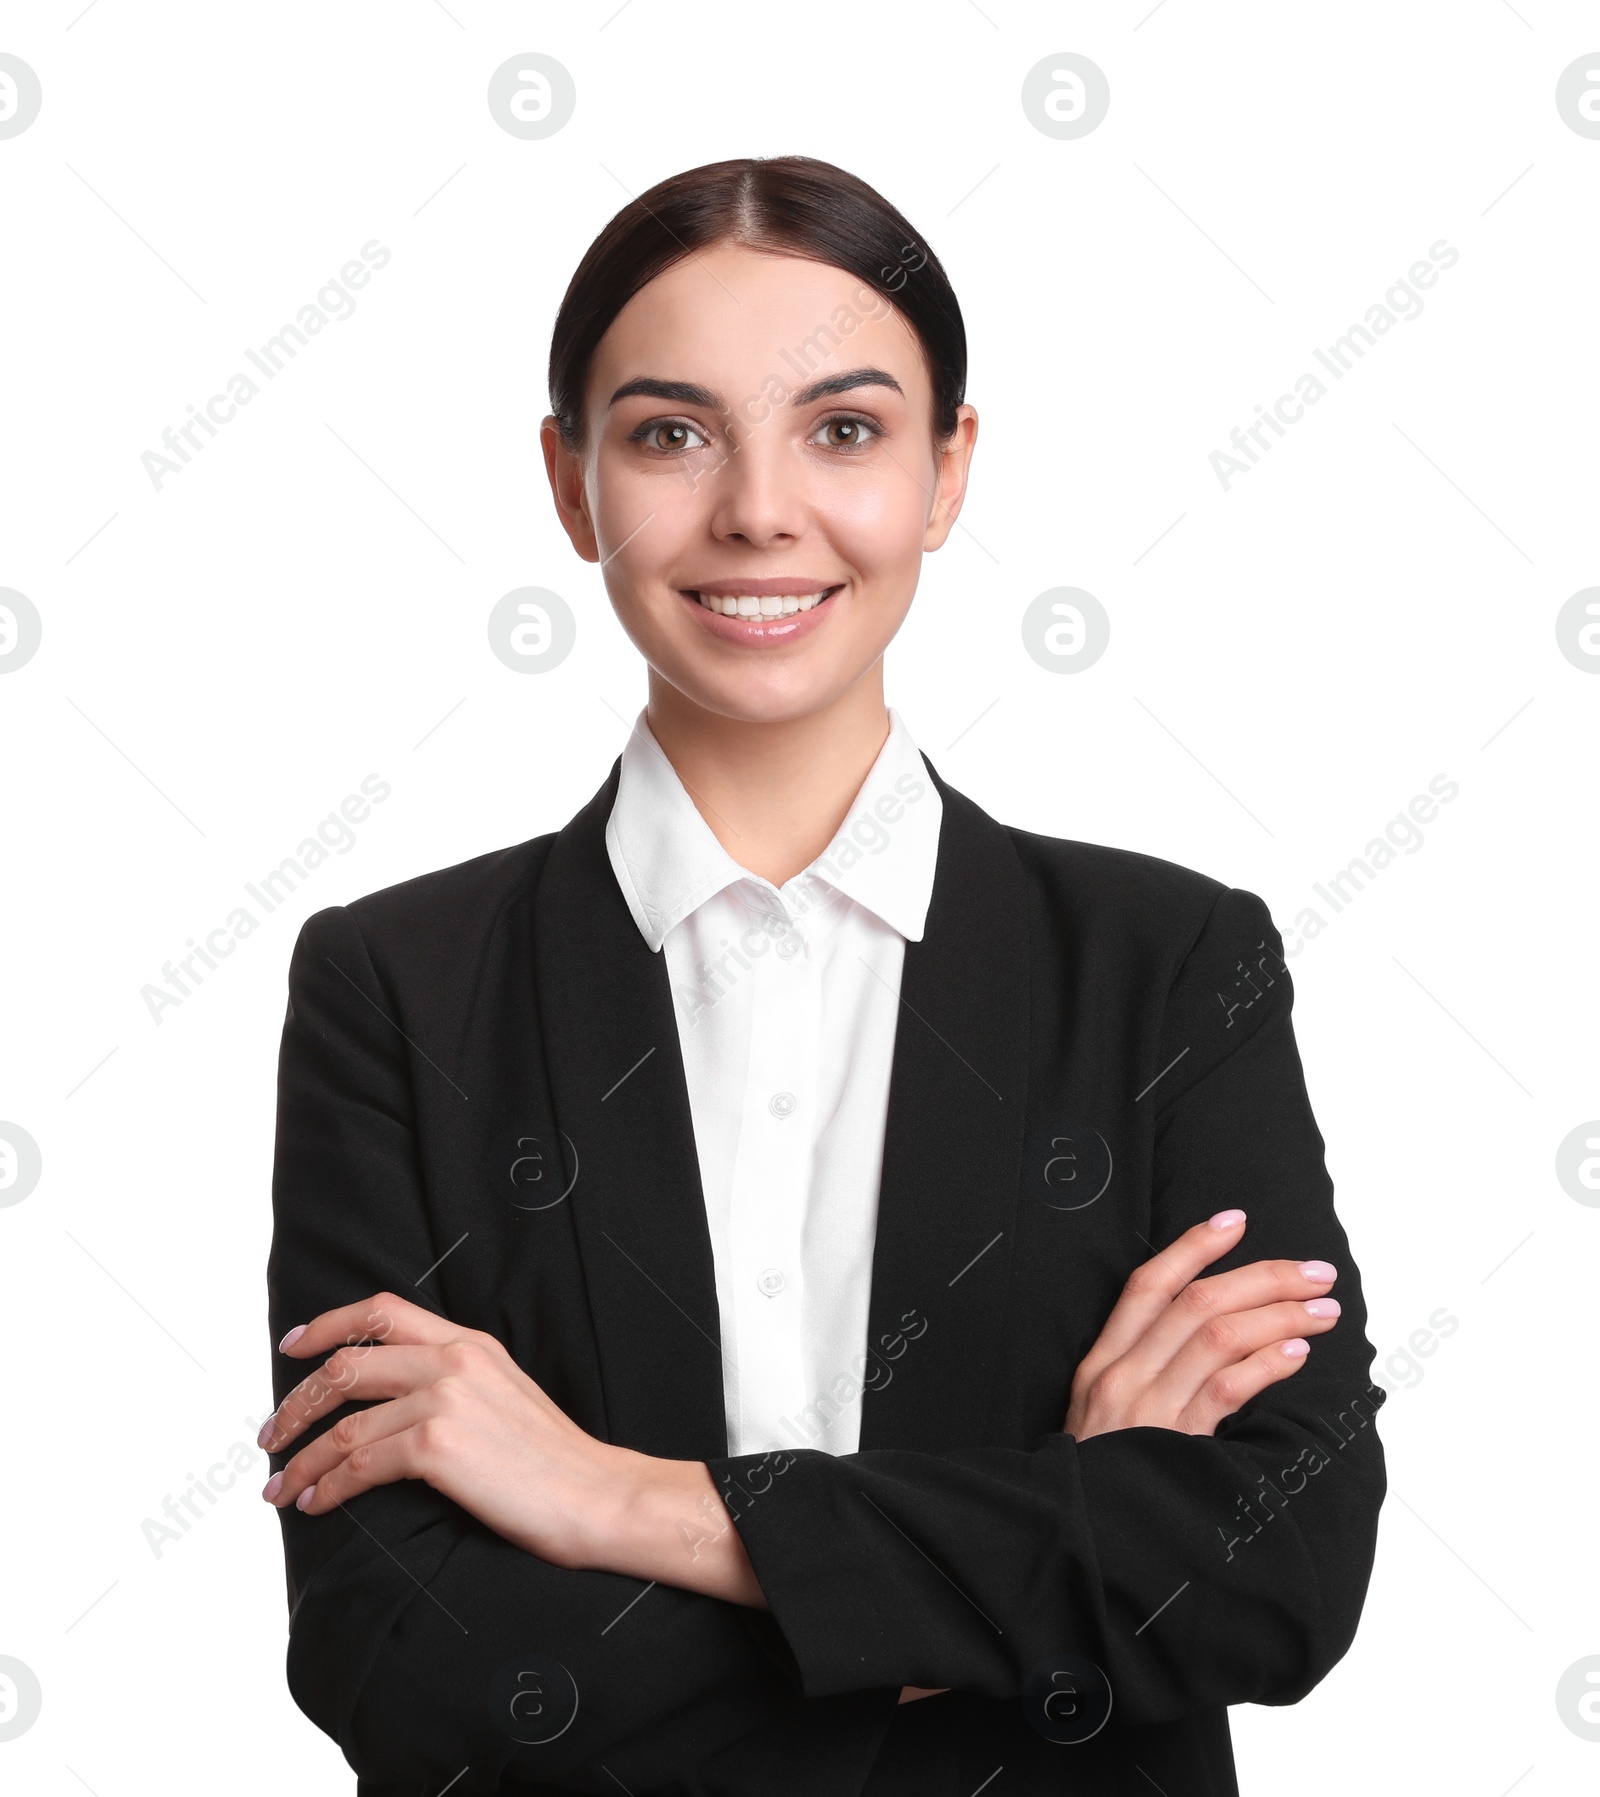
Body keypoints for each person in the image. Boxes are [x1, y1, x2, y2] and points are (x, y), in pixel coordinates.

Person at [262, 155, 1386, 1797]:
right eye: (669, 434)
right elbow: (404, 1662)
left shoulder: (1168, 965)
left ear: (947, 473)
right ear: (571, 487)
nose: (759, 511)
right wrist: (1032, 1557)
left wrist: (612, 1500)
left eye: (845, 431)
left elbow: (1276, 1574)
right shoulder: (398, 991)